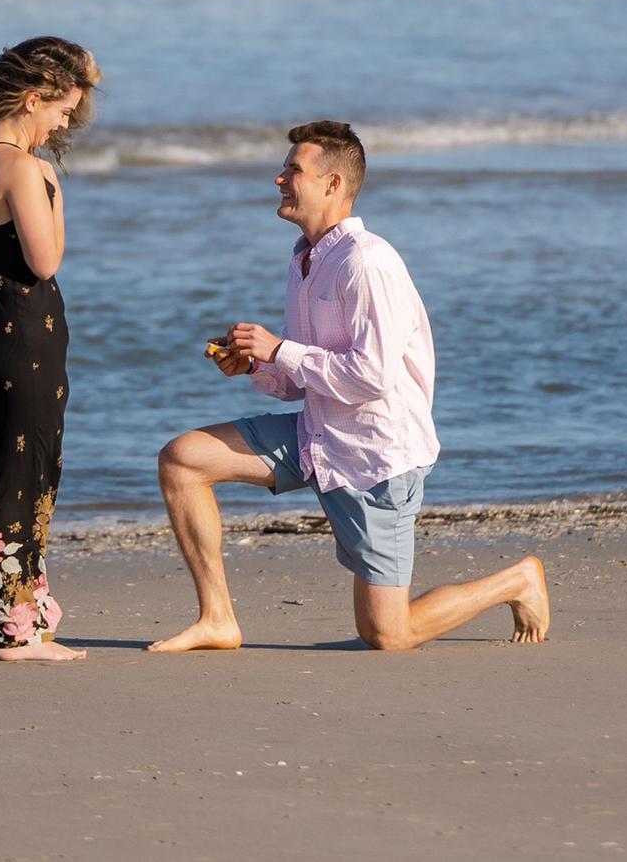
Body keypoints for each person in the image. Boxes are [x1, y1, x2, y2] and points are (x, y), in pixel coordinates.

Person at [149, 120, 550, 653]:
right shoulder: (305, 258)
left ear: (332, 183)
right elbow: (305, 381)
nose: (278, 179)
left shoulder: (366, 262)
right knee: (182, 460)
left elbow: (372, 377)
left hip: (377, 458)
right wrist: (254, 367)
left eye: (293, 170)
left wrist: (277, 349)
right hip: (318, 437)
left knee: (387, 634)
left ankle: (516, 580)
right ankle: (218, 619)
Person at [0, 36, 101, 662]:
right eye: (62, 110)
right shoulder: (20, 164)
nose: (65, 123)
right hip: (21, 335)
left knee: (9, 463)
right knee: (25, 472)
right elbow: (46, 258)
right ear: (33, 99)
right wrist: (52, 185)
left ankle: (8, 621)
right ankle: (16, 633)